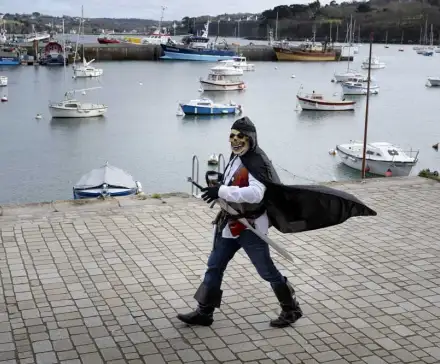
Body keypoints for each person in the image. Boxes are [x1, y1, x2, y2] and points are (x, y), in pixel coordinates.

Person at [177, 116, 376, 328]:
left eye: (240, 137)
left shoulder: (257, 161)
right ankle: (204, 312)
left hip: (250, 227)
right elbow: (234, 183)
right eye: (232, 136)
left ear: (251, 139)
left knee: (266, 270)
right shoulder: (237, 158)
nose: (235, 140)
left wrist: (223, 190)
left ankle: (291, 308)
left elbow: (256, 193)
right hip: (230, 224)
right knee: (214, 265)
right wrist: (217, 187)